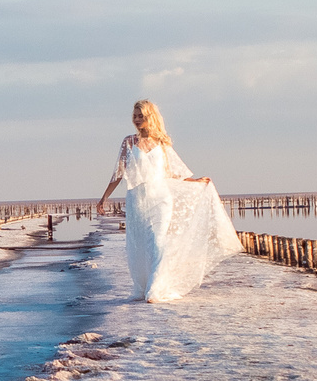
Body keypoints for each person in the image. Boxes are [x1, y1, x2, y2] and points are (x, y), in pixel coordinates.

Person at [93, 98, 239, 302]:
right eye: (134, 116)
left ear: (149, 117)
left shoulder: (162, 143)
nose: (136, 119)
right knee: (141, 245)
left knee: (158, 241)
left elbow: (173, 172)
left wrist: (195, 181)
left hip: (161, 198)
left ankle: (155, 289)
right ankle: (145, 285)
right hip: (137, 201)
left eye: (141, 116)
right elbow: (118, 173)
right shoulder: (128, 142)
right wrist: (104, 198)